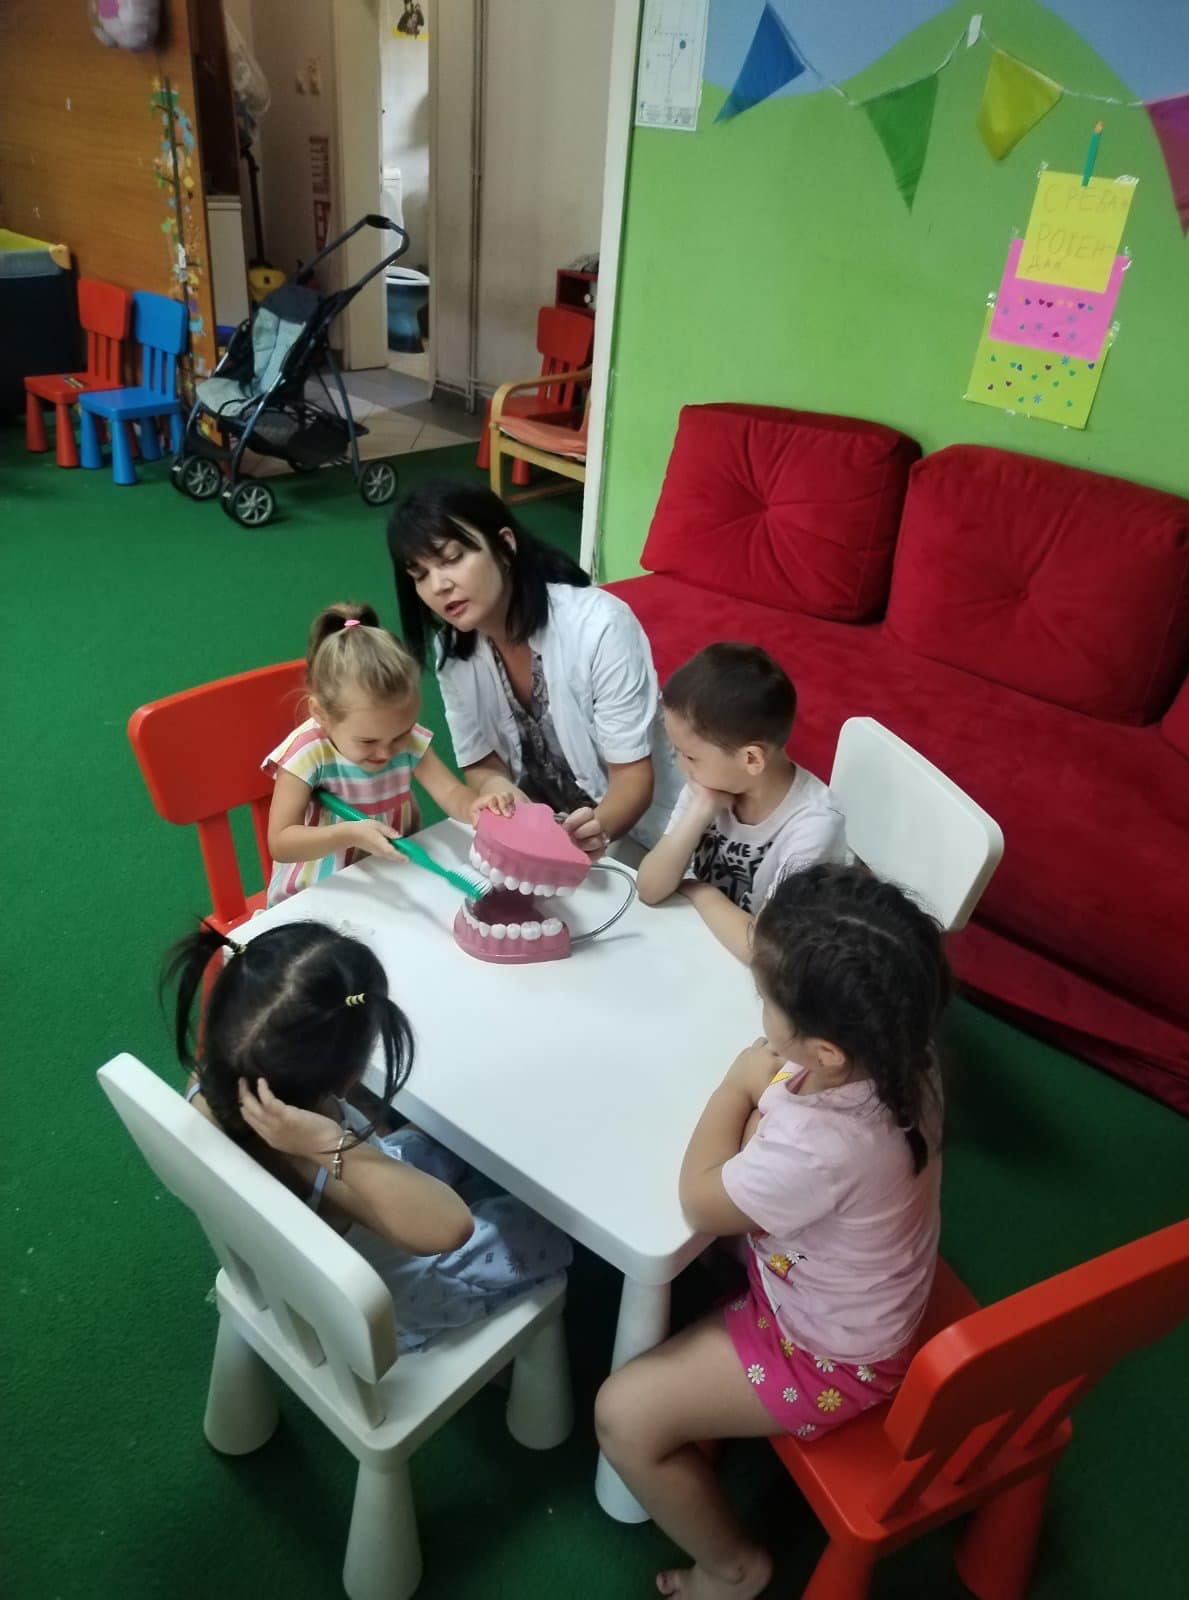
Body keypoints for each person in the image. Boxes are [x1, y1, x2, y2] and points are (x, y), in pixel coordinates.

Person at [594, 865, 949, 1599]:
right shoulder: (905, 1053)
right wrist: (765, 1099)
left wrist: (736, 1084)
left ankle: (734, 1568)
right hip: (846, 1285)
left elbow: (701, 1200)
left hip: (829, 1355)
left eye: (765, 999)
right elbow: (776, 1143)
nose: (759, 1008)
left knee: (623, 1416)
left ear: (825, 1051)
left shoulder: (823, 1146)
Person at [166, 918, 572, 1348]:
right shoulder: (320, 1164)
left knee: (440, 1141)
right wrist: (329, 1145)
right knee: (545, 1225)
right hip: (391, 1300)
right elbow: (452, 1229)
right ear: (348, 1078)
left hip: (301, 1269)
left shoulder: (206, 1087)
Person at [388, 479, 680, 859]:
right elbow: (480, 762)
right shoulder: (454, 651)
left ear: (505, 546)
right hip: (548, 829)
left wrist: (589, 836)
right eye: (420, 575)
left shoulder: (601, 626)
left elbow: (633, 781)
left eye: (452, 558)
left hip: (645, 835)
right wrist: (495, 786)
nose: (438, 586)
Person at [264, 601, 511, 906]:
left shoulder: (407, 739)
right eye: (367, 741)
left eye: (400, 735)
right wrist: (350, 834)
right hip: (320, 893)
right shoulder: (307, 752)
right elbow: (281, 842)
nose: (386, 752)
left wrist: (474, 806)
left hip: (392, 880)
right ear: (322, 715)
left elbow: (450, 793)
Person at [637, 643, 851, 961]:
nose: (681, 766)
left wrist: (699, 889)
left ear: (751, 759)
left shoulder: (815, 825)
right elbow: (649, 888)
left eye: (690, 756)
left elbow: (763, 949)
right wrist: (700, 810)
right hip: (704, 939)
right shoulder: (710, 784)